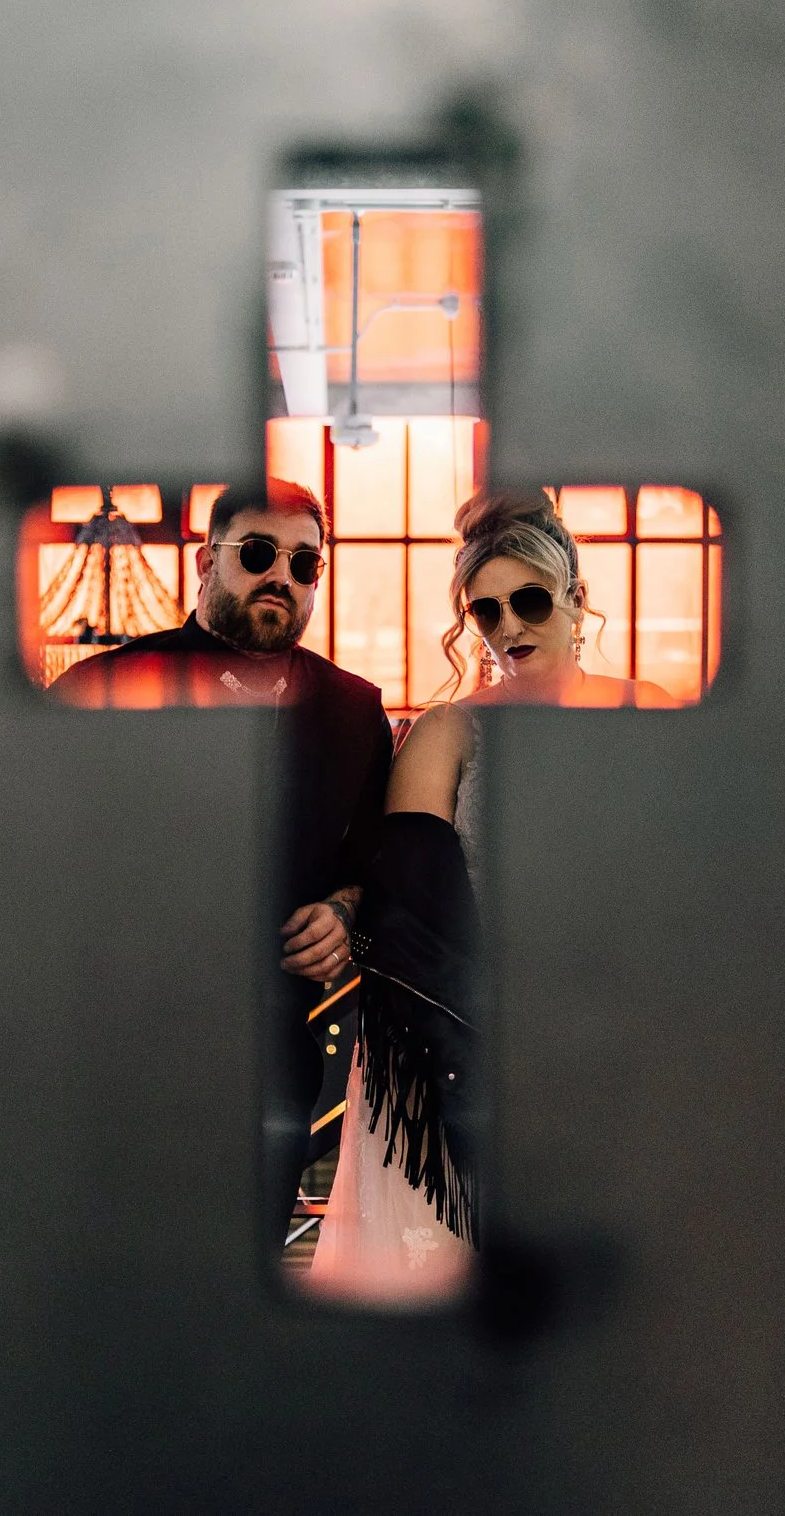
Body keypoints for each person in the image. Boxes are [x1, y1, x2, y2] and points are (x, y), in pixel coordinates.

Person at [305, 490, 673, 1305]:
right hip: (464, 1037)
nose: (509, 627)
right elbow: (408, 919)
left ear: (575, 598)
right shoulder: (447, 731)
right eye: (487, 610)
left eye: (530, 601)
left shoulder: (648, 712)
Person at [49, 479, 391, 1240]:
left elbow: (373, 858)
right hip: (112, 1049)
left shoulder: (353, 708)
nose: (283, 576)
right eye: (260, 554)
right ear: (206, 561)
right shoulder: (104, 688)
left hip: (271, 1053)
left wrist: (343, 910)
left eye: (305, 564)